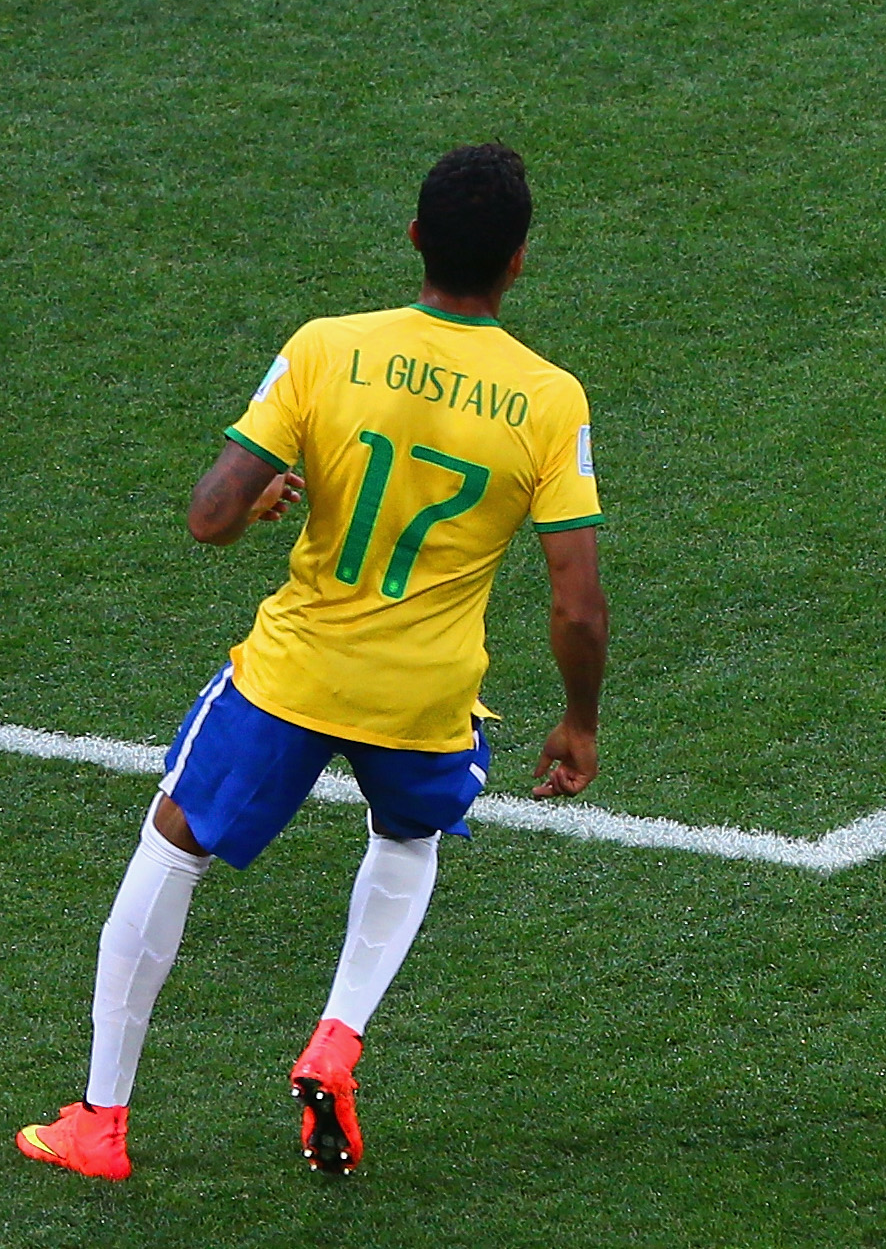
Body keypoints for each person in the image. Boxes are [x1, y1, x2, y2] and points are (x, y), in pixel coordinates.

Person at [19, 145, 606, 1189]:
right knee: (409, 833)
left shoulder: (326, 348)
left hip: (297, 671)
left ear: (415, 238)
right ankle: (337, 1036)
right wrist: (578, 722)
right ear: (517, 264)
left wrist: (254, 507)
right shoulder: (550, 399)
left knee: (174, 843)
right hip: (428, 695)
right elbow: (577, 602)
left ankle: (101, 1121)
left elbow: (208, 517)